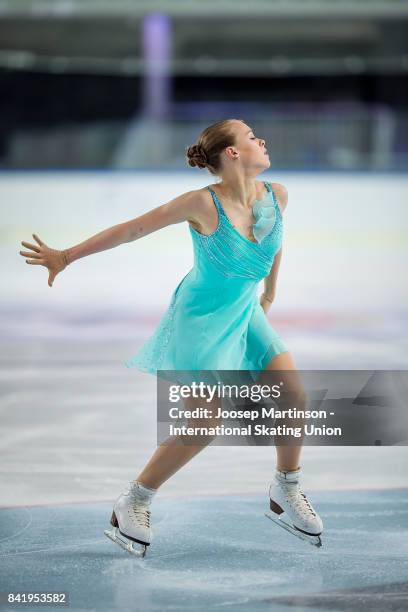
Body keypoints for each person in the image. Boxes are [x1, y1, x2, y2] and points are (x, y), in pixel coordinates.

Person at [19, 118, 323, 556]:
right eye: (252, 136)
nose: (262, 139)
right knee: (203, 425)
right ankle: (135, 500)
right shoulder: (201, 204)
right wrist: (65, 256)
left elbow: (274, 240)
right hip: (199, 318)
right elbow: (132, 229)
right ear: (233, 153)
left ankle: (285, 489)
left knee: (294, 395)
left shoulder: (277, 195)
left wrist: (270, 293)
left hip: (245, 312)